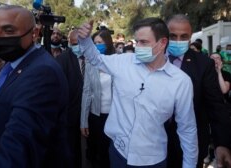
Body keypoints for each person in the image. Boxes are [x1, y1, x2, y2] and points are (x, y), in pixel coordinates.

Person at [78, 18, 198, 168]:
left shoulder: (181, 82)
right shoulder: (123, 62)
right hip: (118, 154)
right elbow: (96, 59)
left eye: (144, 42)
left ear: (162, 43)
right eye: (137, 42)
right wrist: (84, 39)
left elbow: (187, 128)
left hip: (153, 160)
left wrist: (190, 165)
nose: (138, 47)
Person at [0, 5, 69, 168]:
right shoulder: (12, 64)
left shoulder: (42, 73)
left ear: (34, 33)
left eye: (8, 31)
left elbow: (19, 146)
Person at [166, 14, 231, 168]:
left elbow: (215, 105)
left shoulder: (204, 64)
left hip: (192, 141)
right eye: (173, 36)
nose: (178, 40)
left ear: (190, 38)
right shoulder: (154, 60)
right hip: (154, 141)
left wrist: (222, 143)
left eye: (184, 36)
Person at [80, 29, 115, 168]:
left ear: (108, 42)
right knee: (97, 153)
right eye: (95, 43)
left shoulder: (118, 61)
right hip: (96, 116)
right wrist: (83, 122)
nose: (97, 45)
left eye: (100, 42)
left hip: (115, 116)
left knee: (110, 153)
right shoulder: (91, 63)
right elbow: (86, 92)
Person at [54, 29, 84, 168]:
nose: (77, 46)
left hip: (92, 114)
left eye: (80, 43)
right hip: (71, 114)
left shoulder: (94, 58)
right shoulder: (62, 59)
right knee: (72, 149)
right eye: (74, 43)